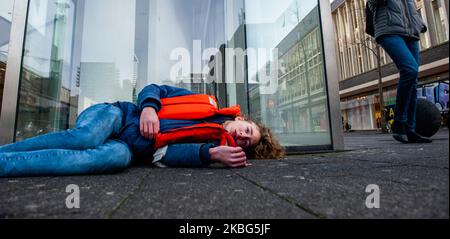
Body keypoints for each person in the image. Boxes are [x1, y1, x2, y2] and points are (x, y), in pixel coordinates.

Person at [0, 84, 285, 177]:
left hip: (128, 149)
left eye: (247, 142)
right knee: (85, 138)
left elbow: (164, 154)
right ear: (242, 118)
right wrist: (148, 108)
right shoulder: (205, 102)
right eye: (247, 129)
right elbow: (154, 88)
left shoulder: (211, 146)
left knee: (103, 160)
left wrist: (210, 154)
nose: (244, 136)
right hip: (118, 115)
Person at [365, 0, 431, 144]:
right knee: (409, 70)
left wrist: (420, 24)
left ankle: (410, 129)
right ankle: (399, 122)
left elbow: (411, 10)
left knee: (414, 79)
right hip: (389, 32)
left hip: (410, 34)